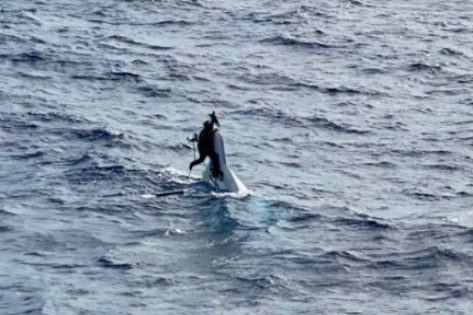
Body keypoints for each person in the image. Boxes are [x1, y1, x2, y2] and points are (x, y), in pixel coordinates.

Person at [189, 112, 223, 178]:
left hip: (209, 147)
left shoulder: (210, 126)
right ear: (205, 127)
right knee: (202, 160)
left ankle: (215, 170)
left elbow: (213, 122)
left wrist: (213, 116)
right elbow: (210, 135)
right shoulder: (204, 133)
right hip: (203, 148)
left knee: (215, 157)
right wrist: (214, 131)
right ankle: (192, 164)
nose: (210, 126)